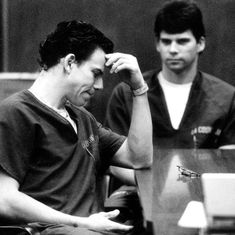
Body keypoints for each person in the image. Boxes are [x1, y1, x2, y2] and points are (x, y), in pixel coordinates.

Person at [0, 20, 153, 235]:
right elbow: (4, 200)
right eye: (95, 73)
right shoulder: (15, 112)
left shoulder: (83, 118)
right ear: (70, 62)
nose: (100, 86)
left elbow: (140, 158)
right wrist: (81, 223)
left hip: (93, 229)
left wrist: (138, 88)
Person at [104, 0, 235, 200]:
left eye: (182, 41)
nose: (173, 49)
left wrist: (190, 186)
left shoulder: (226, 97)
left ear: (200, 43)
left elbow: (229, 162)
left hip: (203, 200)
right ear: (157, 43)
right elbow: (115, 163)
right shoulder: (126, 93)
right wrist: (158, 185)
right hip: (137, 200)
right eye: (166, 41)